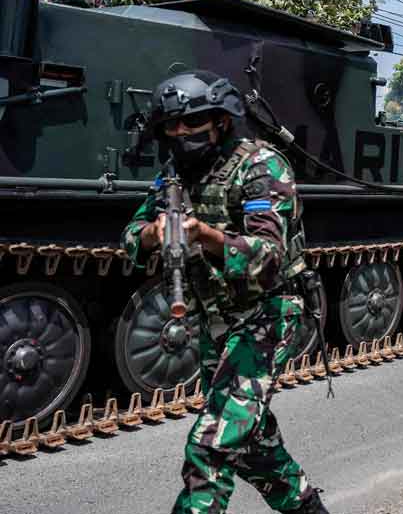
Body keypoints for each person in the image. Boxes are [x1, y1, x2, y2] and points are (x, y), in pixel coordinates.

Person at [121, 71, 328, 514]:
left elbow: (268, 256)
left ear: (219, 121)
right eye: (170, 127)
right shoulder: (173, 176)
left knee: (211, 446)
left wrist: (206, 235)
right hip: (215, 324)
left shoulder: (261, 166)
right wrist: (153, 235)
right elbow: (130, 235)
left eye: (191, 124)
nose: (180, 134)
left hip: (268, 316)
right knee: (252, 445)